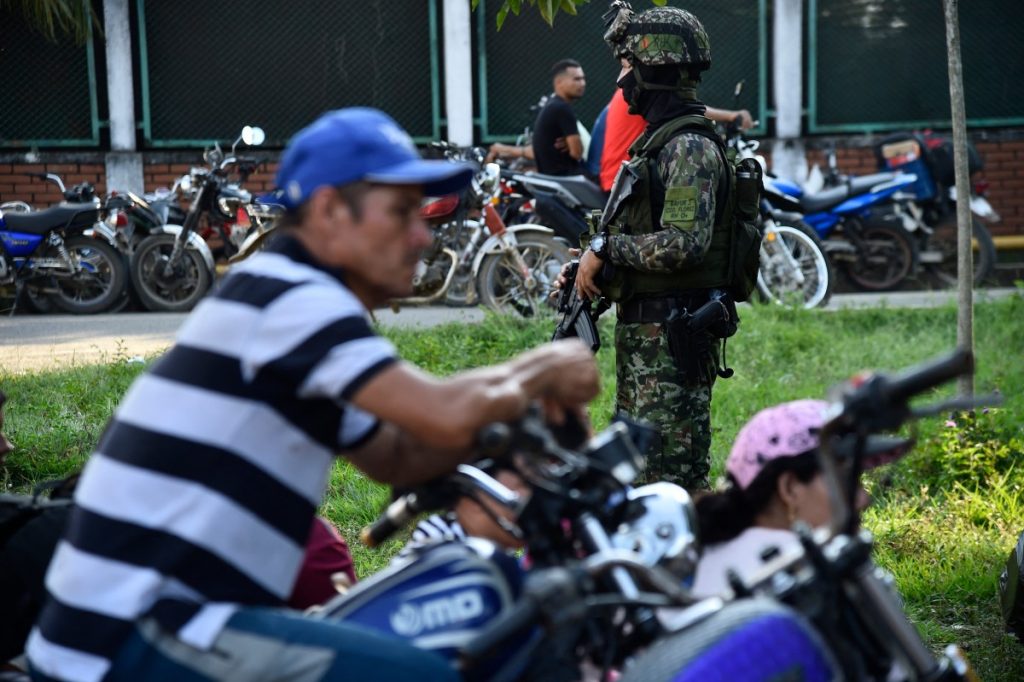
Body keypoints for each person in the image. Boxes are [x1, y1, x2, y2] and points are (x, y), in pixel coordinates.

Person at [26, 107, 600, 682]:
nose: (423, 232)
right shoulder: (290, 295)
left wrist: (521, 433)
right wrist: (543, 366)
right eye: (401, 212)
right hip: (134, 630)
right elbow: (440, 414)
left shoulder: (291, 300)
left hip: (151, 621)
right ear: (329, 210)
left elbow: (397, 455)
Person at [574, 4, 737, 491]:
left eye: (627, 67)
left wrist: (605, 247)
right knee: (640, 480)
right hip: (647, 340)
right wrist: (589, 272)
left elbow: (683, 246)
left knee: (673, 486)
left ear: (654, 71)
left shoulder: (689, 147)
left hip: (672, 340)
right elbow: (642, 238)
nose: (622, 80)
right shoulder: (657, 144)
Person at [690, 399, 910, 598]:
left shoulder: (710, 563)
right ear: (790, 489)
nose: (863, 500)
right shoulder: (801, 582)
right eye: (845, 481)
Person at [597, 88, 755, 192]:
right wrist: (731, 116)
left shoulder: (628, 91)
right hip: (625, 182)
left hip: (624, 177)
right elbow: (686, 108)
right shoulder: (640, 92)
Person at [529, 59, 588, 176]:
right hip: (567, 180)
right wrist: (575, 142)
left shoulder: (552, 104)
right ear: (559, 82)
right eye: (577, 79)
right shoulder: (562, 108)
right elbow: (577, 152)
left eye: (583, 78)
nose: (582, 83)